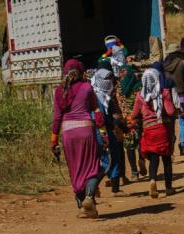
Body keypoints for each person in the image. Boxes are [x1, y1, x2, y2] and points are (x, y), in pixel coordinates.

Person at [51, 59, 105, 218]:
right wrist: (102, 130)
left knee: (76, 170)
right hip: (85, 130)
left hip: (68, 133)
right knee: (93, 167)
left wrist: (54, 141)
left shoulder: (59, 91)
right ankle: (89, 197)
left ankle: (85, 207)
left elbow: (56, 118)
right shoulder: (87, 87)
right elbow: (97, 110)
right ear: (81, 72)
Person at [131, 68, 177, 198]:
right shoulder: (163, 93)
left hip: (148, 130)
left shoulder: (140, 95)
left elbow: (134, 114)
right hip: (162, 128)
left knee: (154, 159)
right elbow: (170, 112)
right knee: (166, 159)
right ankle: (168, 188)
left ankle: (152, 180)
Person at [92, 63, 126, 194]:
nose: (109, 82)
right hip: (99, 132)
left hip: (103, 131)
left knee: (111, 157)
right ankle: (94, 186)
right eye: (106, 79)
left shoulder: (106, 97)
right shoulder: (95, 98)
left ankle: (114, 187)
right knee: (108, 159)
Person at [164, 45, 184, 156]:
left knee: (170, 124)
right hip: (183, 96)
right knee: (182, 122)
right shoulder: (183, 63)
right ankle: (182, 146)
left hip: (168, 97)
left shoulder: (164, 65)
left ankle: (170, 149)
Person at [117, 63, 145, 181]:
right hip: (138, 119)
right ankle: (142, 160)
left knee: (129, 146)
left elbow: (117, 104)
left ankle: (134, 172)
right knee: (141, 143)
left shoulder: (119, 88)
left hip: (125, 121)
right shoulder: (138, 86)